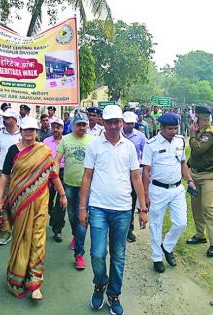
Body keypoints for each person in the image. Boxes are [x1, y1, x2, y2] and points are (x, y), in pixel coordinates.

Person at [79, 105, 148, 315]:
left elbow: (136, 177)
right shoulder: (94, 146)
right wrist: (82, 207)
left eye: (116, 122)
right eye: (109, 122)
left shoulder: (128, 147)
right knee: (98, 254)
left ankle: (114, 294)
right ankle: (100, 284)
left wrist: (143, 208)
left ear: (121, 123)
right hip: (98, 207)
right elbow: (87, 176)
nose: (113, 126)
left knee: (118, 256)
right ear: (103, 122)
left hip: (123, 209)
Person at [0, 116, 67, 300]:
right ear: (21, 131)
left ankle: (35, 282)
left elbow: (53, 174)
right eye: (26, 130)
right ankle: (15, 279)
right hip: (19, 204)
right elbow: (4, 175)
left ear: (37, 132)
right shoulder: (13, 150)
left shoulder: (43, 150)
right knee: (21, 239)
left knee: (38, 239)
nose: (29, 133)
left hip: (41, 203)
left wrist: (62, 195)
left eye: (32, 130)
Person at [141, 113, 196, 273]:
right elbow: (146, 171)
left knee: (181, 222)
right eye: (170, 128)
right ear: (162, 128)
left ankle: (167, 246)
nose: (173, 131)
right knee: (156, 225)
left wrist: (190, 181)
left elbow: (183, 163)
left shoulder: (180, 140)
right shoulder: (151, 144)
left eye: (175, 128)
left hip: (177, 189)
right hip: (157, 190)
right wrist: (145, 194)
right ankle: (157, 257)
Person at [55, 110, 92, 270]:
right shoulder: (65, 140)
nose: (81, 127)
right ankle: (75, 236)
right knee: (71, 215)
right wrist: (55, 174)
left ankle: (79, 254)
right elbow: (57, 160)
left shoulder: (93, 141)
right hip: (69, 185)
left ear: (87, 126)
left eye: (84, 124)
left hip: (88, 188)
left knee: (83, 218)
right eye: (79, 124)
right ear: (73, 125)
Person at [186, 105, 213, 257]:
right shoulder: (200, 132)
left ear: (200, 118)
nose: (194, 121)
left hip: (208, 176)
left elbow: (198, 149)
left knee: (207, 207)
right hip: (195, 175)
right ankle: (200, 235)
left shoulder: (209, 134)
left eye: (196, 118)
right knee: (196, 207)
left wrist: (192, 135)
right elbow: (194, 156)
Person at [0, 108, 22, 245]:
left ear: (15, 119)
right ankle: (5, 230)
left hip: (20, 174)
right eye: (4, 118)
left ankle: (19, 227)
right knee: (1, 202)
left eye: (8, 118)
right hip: (2, 173)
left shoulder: (23, 134)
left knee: (18, 201)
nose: (4, 120)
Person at [122, 111, 146, 242]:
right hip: (119, 172)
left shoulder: (140, 136)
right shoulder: (117, 134)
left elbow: (145, 154)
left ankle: (129, 230)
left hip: (133, 173)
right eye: (127, 123)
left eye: (132, 124)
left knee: (131, 203)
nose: (129, 126)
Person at [43, 117, 66, 242]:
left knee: (61, 202)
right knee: (47, 200)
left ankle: (58, 230)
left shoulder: (66, 141)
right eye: (54, 127)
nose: (56, 129)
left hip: (63, 173)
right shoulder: (46, 141)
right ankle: (53, 217)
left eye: (58, 127)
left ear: (62, 129)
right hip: (48, 173)